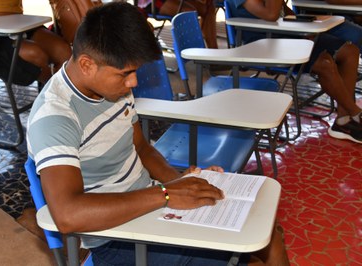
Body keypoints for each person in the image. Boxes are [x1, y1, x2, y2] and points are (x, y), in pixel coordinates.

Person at [27, 2, 290, 265]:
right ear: (86, 64)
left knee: (269, 235)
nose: (133, 83)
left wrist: (178, 182)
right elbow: (67, 215)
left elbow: (141, 148)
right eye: (125, 74)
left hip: (151, 206)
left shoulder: (111, 87)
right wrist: (166, 194)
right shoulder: (55, 117)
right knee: (255, 257)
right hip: (115, 237)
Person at [226, 0, 362, 144]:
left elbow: (283, 11)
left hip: (287, 35)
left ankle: (344, 120)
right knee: (325, 63)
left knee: (349, 51)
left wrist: (303, 25)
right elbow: (271, 14)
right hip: (263, 43)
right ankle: (355, 113)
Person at [0, 0, 72, 84]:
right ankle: (57, 95)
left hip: (18, 23)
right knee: (34, 54)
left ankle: (62, 95)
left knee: (63, 51)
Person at [138, 0, 218, 48]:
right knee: (190, 12)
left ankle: (213, 51)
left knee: (208, 7)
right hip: (152, 2)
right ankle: (196, 52)